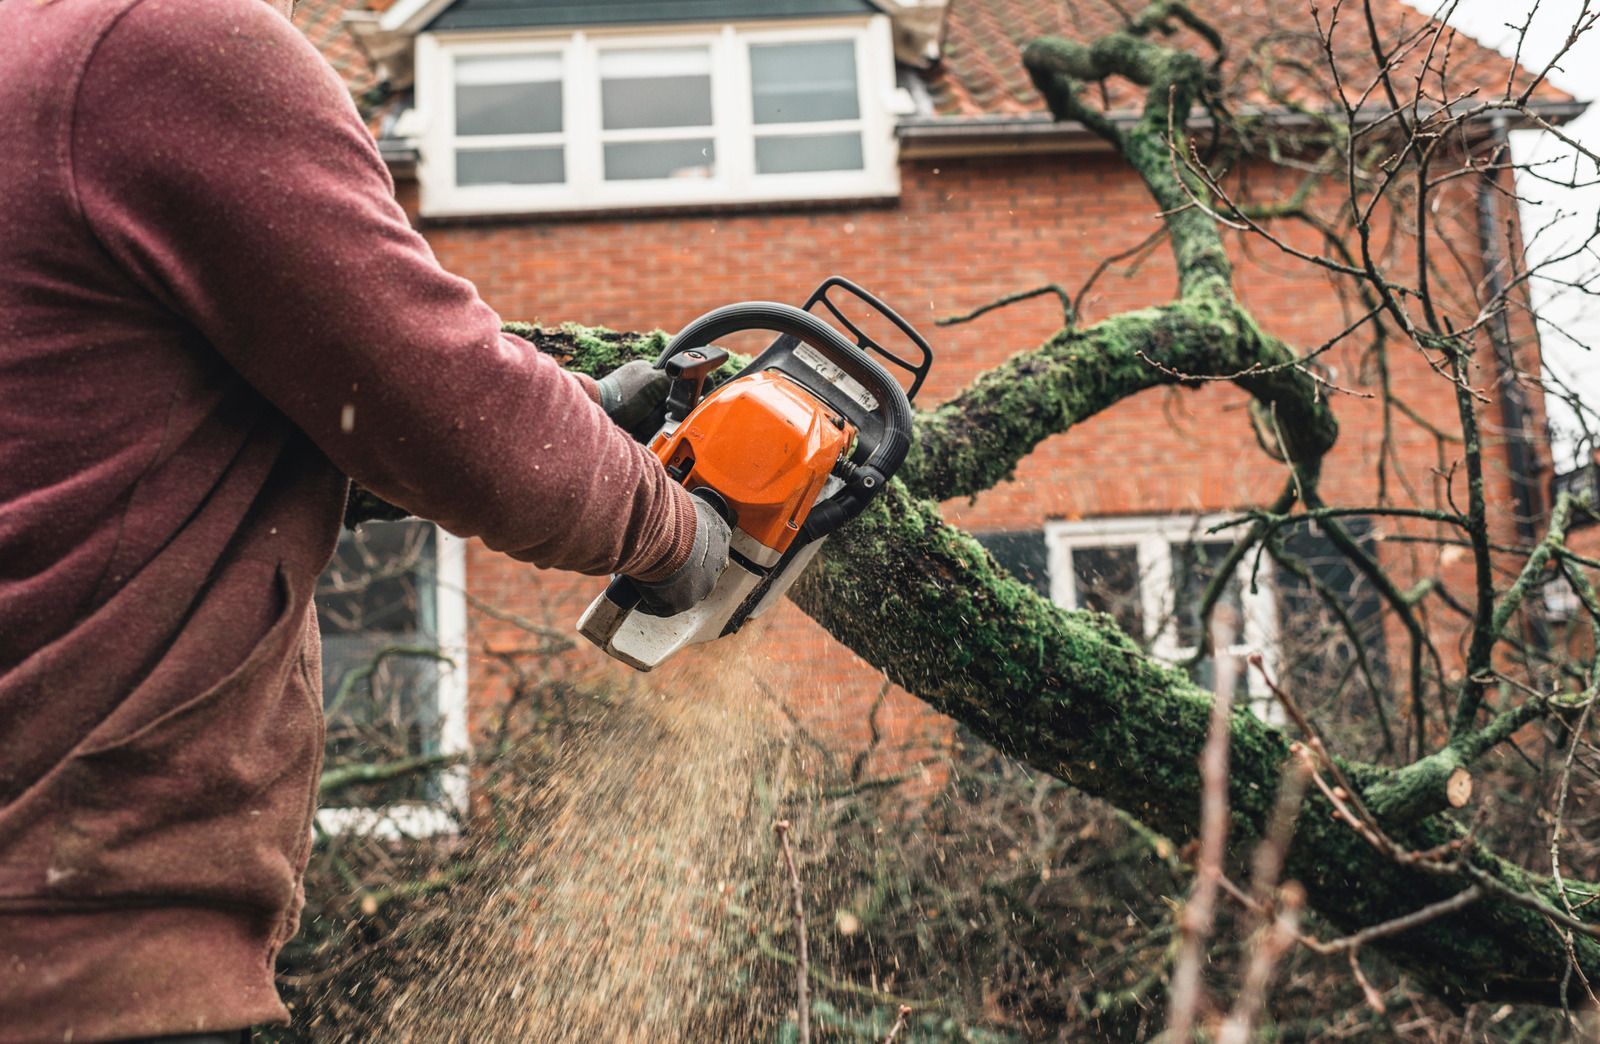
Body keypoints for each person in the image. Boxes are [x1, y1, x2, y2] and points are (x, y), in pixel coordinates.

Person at [0, 0, 731, 1038]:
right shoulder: (163, 44)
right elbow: (441, 404)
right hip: (81, 948)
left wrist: (581, 417)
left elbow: (112, 436)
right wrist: (677, 534)